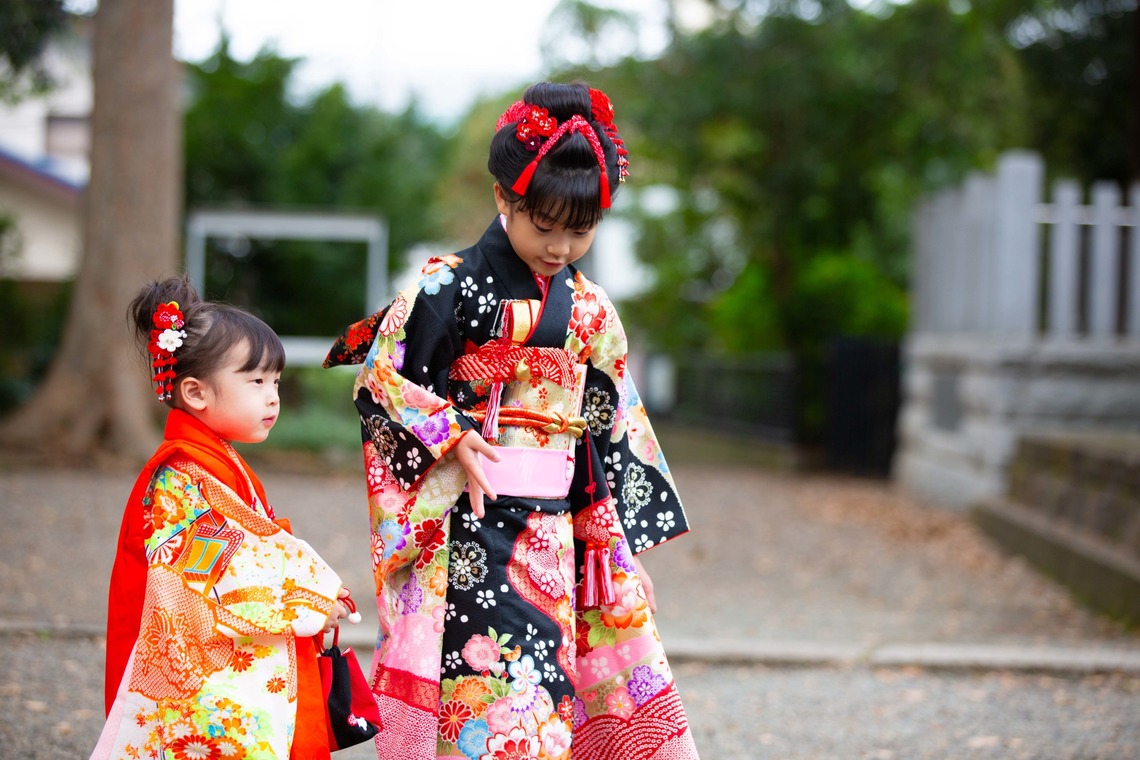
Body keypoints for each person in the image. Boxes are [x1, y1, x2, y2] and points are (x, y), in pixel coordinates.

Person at [324, 81, 700, 759]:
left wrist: (612, 548)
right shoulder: (446, 287)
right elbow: (380, 383)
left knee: (548, 706)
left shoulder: (591, 311)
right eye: (545, 226)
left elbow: (605, 434)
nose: (560, 247)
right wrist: (450, 434)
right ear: (504, 199)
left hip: (555, 534)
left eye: (580, 230)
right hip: (467, 530)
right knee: (490, 707)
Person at [93, 276, 353, 760]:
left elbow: (253, 544)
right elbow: (226, 567)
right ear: (195, 393)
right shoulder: (181, 474)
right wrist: (311, 600)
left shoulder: (209, 460)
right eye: (256, 381)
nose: (273, 396)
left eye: (275, 382)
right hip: (196, 663)